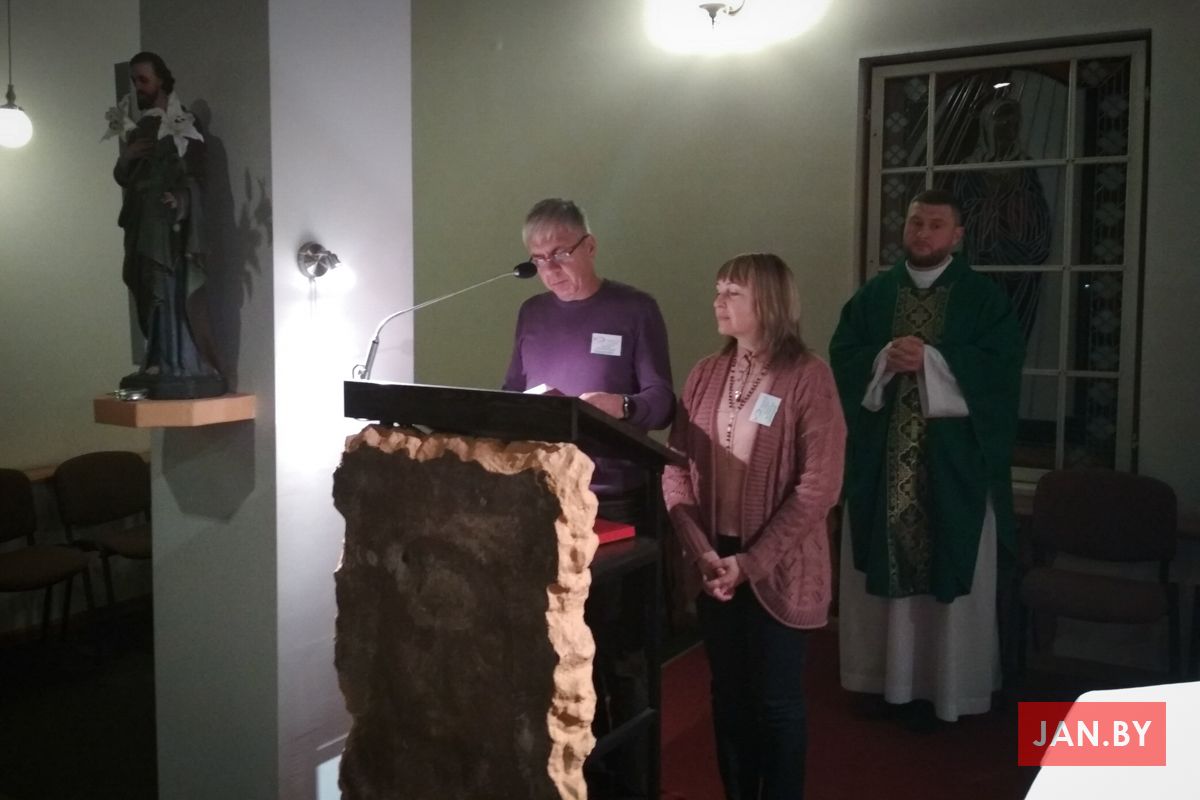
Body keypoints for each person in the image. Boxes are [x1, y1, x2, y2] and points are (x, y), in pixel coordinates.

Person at [830, 189, 1024, 725]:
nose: (922, 233)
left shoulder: (982, 299)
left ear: (957, 236)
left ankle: (949, 690)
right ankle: (882, 682)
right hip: (882, 464)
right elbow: (842, 358)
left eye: (936, 225)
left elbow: (1002, 371)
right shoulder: (874, 296)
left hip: (954, 470)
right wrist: (881, 359)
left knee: (951, 564)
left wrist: (934, 360)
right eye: (916, 222)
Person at [502, 198, 674, 798]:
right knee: (560, 648)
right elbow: (511, 392)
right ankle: (577, 771)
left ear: (590, 246)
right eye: (537, 259)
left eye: (560, 253)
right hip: (547, 497)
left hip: (614, 500)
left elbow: (661, 401)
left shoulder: (634, 308)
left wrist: (618, 407)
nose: (549, 268)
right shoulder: (531, 313)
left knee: (616, 646)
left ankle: (630, 778)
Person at [662, 253, 846, 800]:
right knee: (729, 698)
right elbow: (675, 467)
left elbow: (819, 487)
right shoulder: (704, 373)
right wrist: (701, 550)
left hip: (777, 565)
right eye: (717, 289)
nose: (717, 301)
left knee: (775, 704)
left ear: (767, 301)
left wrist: (753, 562)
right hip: (714, 561)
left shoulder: (808, 376)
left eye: (732, 293)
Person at [114, 51, 224, 399]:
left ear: (161, 79)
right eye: (134, 80)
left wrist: (180, 199)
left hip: (167, 228)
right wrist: (127, 158)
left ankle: (177, 361)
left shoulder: (184, 124)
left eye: (143, 79)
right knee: (146, 286)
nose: (138, 87)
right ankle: (155, 358)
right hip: (142, 222)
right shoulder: (143, 127)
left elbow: (197, 179)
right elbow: (125, 176)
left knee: (167, 288)